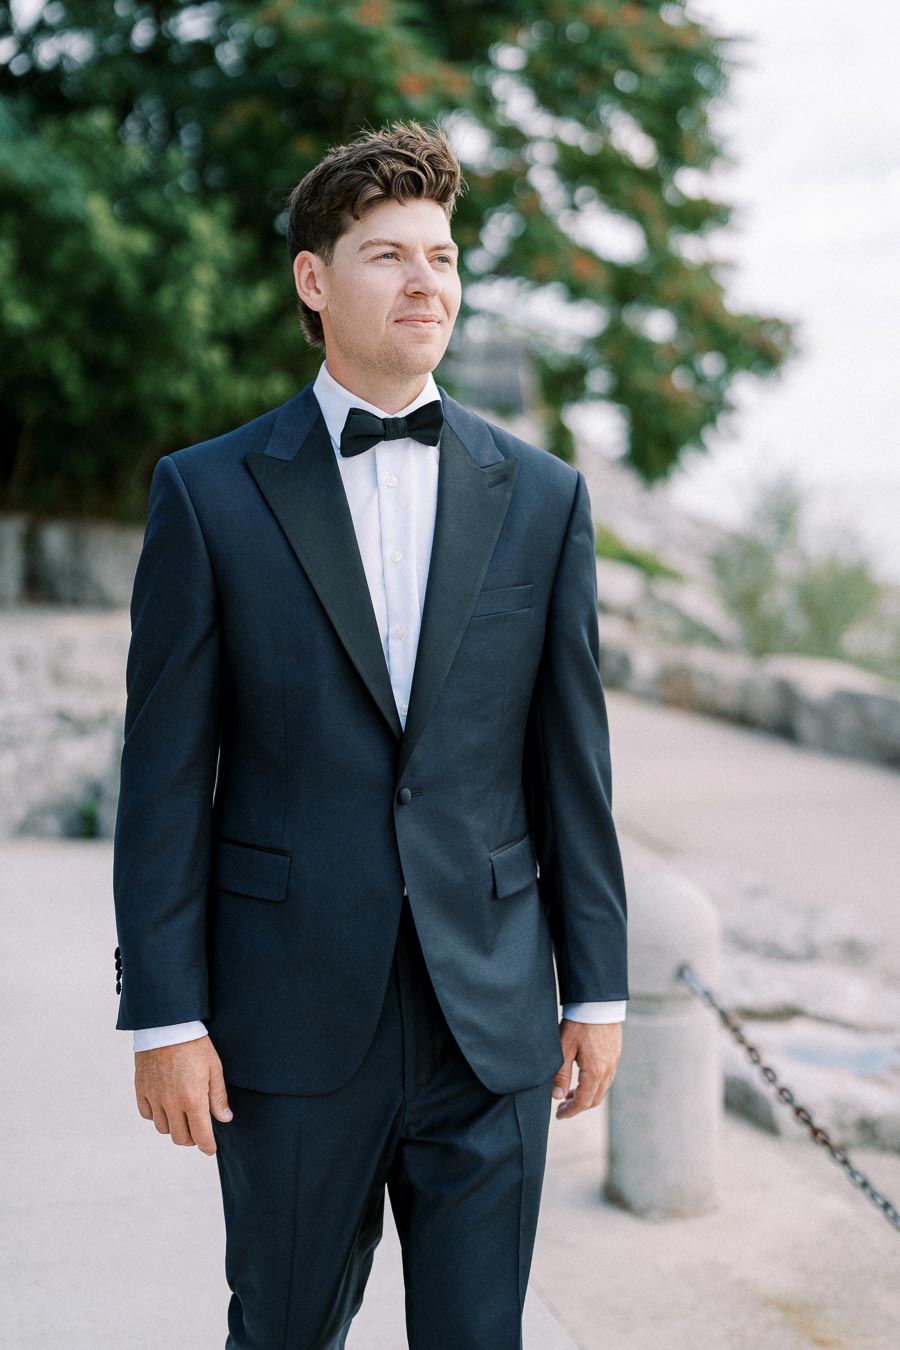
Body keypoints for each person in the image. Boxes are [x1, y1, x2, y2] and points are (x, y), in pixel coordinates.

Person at [112, 117, 629, 1350]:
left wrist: (597, 984)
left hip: (491, 1018)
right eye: (388, 254)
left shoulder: (544, 499)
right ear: (313, 279)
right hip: (285, 1029)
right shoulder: (207, 492)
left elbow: (573, 763)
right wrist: (165, 1018)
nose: (424, 281)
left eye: (442, 257)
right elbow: (166, 778)